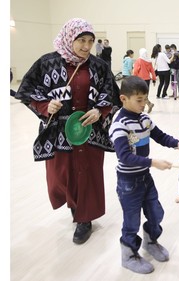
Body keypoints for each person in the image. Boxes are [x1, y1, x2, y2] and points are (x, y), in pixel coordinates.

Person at [14, 18, 120, 244]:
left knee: (88, 172)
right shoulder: (47, 63)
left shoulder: (99, 66)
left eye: (90, 41)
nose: (86, 46)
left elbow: (111, 94)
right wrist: (45, 105)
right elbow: (27, 90)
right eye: (81, 40)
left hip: (87, 130)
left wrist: (100, 111)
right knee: (62, 174)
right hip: (58, 130)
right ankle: (74, 203)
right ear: (68, 38)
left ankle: (85, 218)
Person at [109, 76, 179, 274]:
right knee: (131, 221)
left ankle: (150, 241)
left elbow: (160, 136)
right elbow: (125, 157)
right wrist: (153, 162)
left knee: (156, 213)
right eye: (139, 100)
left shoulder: (144, 119)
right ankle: (128, 255)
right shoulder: (119, 125)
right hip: (128, 182)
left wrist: (177, 144)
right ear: (123, 99)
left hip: (145, 177)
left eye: (145, 99)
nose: (144, 104)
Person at [133, 48, 157, 113]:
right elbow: (152, 71)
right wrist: (154, 79)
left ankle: (148, 104)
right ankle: (143, 107)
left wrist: (134, 78)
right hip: (147, 80)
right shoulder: (149, 61)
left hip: (140, 80)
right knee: (145, 94)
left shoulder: (139, 60)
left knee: (140, 94)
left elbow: (135, 70)